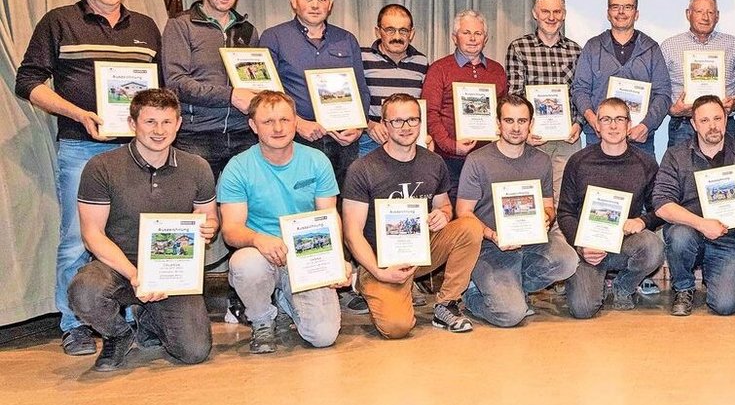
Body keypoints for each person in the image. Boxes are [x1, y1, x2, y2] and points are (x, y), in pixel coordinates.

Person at [15, 0, 161, 356]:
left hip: (137, 152)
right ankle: (74, 323)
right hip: (82, 148)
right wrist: (79, 114)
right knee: (75, 239)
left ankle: (132, 316)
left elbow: (158, 92)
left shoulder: (146, 27)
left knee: (134, 233)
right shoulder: (59, 21)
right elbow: (28, 82)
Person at [69, 88, 217, 371]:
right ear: (132, 123)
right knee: (85, 291)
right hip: (117, 265)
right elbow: (92, 234)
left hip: (170, 268)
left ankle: (148, 320)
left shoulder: (197, 167)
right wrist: (136, 275)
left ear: (178, 124)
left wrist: (208, 227)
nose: (159, 131)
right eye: (150, 122)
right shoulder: (101, 167)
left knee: (194, 351)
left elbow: (208, 217)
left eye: (166, 122)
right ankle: (118, 334)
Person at [341, 94, 484, 338]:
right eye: (397, 121)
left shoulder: (433, 162)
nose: (405, 127)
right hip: (381, 262)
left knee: (470, 226)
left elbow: (444, 205)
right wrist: (379, 272)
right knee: (397, 327)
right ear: (384, 124)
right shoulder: (363, 169)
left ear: (420, 122)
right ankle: (371, 285)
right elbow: (352, 234)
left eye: (412, 120)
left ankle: (447, 303)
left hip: (422, 251)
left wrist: (443, 214)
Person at [218, 91, 344, 353]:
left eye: (285, 120)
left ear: (295, 122)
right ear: (253, 126)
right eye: (268, 121)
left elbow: (329, 217)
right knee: (244, 264)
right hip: (261, 254)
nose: (278, 128)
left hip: (307, 257)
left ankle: (286, 302)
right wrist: (257, 239)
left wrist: (336, 261)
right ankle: (262, 320)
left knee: (323, 336)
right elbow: (230, 230)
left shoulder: (317, 161)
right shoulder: (238, 167)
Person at [455, 94, 579, 328]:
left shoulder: (541, 160)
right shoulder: (477, 160)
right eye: (509, 120)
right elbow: (463, 212)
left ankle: (514, 288)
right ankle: (472, 294)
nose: (515, 127)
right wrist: (493, 235)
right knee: (510, 315)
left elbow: (548, 206)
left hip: (531, 242)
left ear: (531, 124)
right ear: (498, 123)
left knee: (567, 261)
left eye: (522, 121)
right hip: (490, 247)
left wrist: (546, 218)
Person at [653, 95, 735, 316]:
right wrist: (702, 224)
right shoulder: (676, 155)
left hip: (727, 239)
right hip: (689, 233)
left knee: (725, 306)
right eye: (704, 120)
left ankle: (713, 275)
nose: (712, 126)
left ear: (726, 119)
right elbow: (662, 204)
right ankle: (683, 288)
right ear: (694, 124)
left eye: (717, 118)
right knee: (679, 236)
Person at [556, 97, 666, 318]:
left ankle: (623, 287)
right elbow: (565, 212)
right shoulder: (578, 161)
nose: (613, 126)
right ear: (597, 125)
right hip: (588, 247)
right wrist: (581, 245)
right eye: (606, 119)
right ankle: (581, 279)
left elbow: (660, 208)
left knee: (653, 246)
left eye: (619, 119)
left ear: (628, 124)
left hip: (625, 243)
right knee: (583, 309)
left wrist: (642, 221)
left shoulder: (645, 163)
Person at [259, 0, 370, 186]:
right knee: (301, 199)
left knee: (345, 199)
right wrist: (298, 123)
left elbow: (361, 89)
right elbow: (266, 95)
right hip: (297, 139)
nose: (315, 5)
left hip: (343, 142)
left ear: (330, 4)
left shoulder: (346, 39)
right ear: (294, 1)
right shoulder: (274, 37)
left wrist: (358, 127)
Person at [161, 0, 259, 177]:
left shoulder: (248, 30)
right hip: (197, 135)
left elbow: (256, 80)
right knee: (198, 199)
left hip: (243, 133)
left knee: (246, 199)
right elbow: (176, 83)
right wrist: (230, 96)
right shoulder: (181, 25)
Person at [571, 0, 671, 155]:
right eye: (615, 7)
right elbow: (580, 89)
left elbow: (663, 94)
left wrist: (646, 125)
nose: (621, 12)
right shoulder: (593, 47)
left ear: (636, 14)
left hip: (640, 141)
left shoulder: (651, 49)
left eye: (627, 7)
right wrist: (593, 119)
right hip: (598, 140)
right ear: (608, 13)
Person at [505, 0, 584, 194]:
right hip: (533, 138)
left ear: (564, 14)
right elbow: (515, 95)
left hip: (568, 139)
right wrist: (525, 130)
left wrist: (579, 123)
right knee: (529, 196)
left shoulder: (576, 51)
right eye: (545, 11)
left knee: (564, 198)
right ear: (535, 13)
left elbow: (581, 93)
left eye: (557, 12)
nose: (551, 17)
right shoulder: (519, 48)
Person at [422, 10, 509, 190]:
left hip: (489, 159)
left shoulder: (497, 70)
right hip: (449, 160)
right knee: (451, 207)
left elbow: (504, 112)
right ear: (455, 37)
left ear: (485, 38)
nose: (473, 38)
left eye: (478, 33)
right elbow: (430, 113)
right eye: (466, 33)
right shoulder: (439, 69)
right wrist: (451, 146)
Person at [660, 0, 735, 148]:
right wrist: (672, 109)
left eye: (710, 12)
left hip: (722, 124)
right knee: (681, 164)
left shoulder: (732, 44)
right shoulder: (669, 46)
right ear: (688, 14)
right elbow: (659, 87)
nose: (705, 17)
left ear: (717, 16)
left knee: (723, 164)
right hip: (683, 124)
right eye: (699, 11)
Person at [358, 4, 430, 157]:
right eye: (390, 30)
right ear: (378, 31)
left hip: (409, 142)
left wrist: (426, 135)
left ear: (411, 33)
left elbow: (425, 106)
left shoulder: (421, 62)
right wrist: (368, 125)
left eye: (403, 31)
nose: (397, 37)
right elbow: (351, 101)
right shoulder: (361, 58)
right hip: (371, 142)